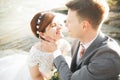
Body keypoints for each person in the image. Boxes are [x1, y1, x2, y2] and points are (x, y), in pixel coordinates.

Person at [40, 0, 120, 80]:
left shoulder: (109, 56)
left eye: (69, 22)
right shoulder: (77, 42)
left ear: (84, 26)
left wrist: (56, 52)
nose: (65, 25)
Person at [0, 12, 71, 80]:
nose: (60, 27)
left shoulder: (64, 44)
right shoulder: (36, 53)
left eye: (59, 24)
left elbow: (61, 66)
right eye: (53, 25)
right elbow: (36, 76)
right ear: (42, 34)